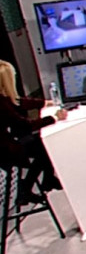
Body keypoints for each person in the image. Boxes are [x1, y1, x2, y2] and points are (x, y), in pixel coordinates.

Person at [0, 60, 68, 205]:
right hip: (5, 150)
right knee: (44, 147)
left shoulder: (3, 98)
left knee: (42, 143)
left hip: (9, 140)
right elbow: (26, 125)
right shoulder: (0, 104)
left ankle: (47, 179)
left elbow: (18, 101)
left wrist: (44, 103)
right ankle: (25, 189)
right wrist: (54, 118)